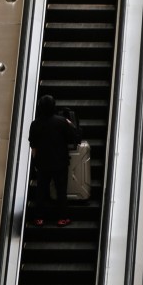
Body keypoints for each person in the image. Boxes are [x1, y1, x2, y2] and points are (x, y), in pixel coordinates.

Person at [28, 94, 80, 227]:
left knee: (41, 190)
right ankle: (62, 217)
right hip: (60, 162)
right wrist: (70, 124)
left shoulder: (35, 124)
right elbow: (75, 137)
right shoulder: (61, 122)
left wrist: (35, 162)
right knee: (61, 190)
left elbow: (33, 145)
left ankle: (39, 218)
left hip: (42, 162)